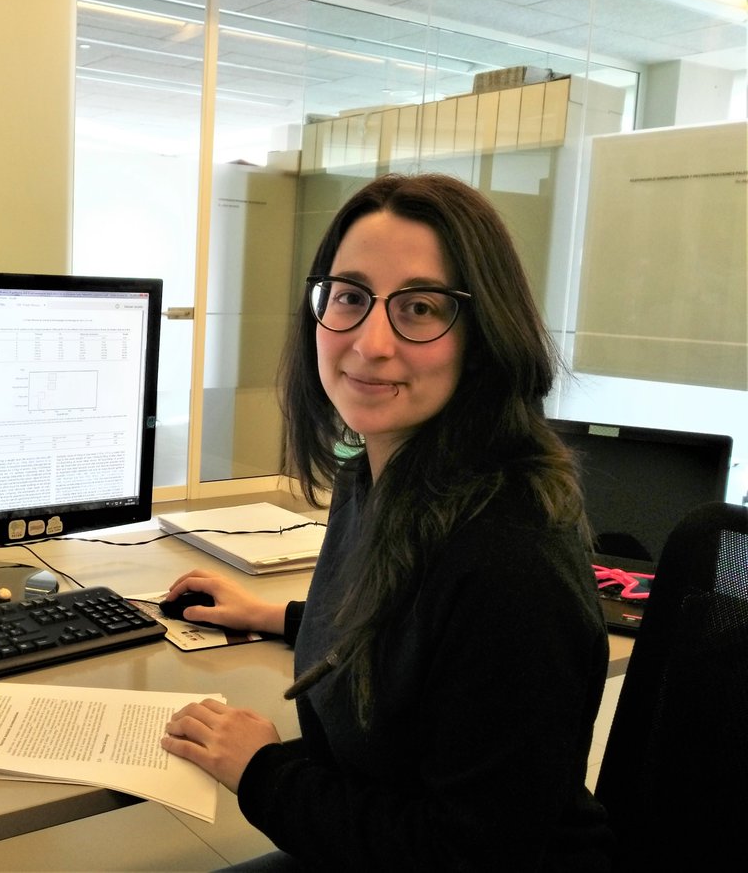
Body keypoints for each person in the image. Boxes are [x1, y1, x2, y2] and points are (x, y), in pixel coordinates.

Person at [160, 173, 614, 871]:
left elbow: (462, 852)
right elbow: (413, 626)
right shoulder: (380, 478)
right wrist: (276, 613)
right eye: (349, 297)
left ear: (486, 333)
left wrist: (262, 771)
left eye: (421, 307)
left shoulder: (509, 562)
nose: (370, 342)